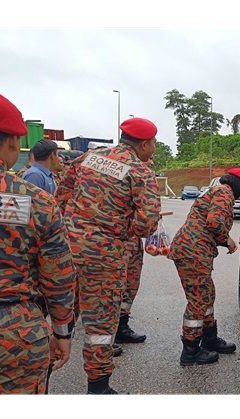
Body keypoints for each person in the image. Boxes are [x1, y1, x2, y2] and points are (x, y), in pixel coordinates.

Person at [0, 90, 76, 394]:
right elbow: (59, 277)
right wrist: (62, 331)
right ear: (13, 142)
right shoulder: (37, 201)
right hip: (13, 335)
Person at [56, 117, 160, 394]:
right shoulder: (140, 171)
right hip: (104, 255)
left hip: (67, 248)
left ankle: (40, 374)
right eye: (154, 144)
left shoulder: (88, 157)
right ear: (145, 144)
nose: (154, 148)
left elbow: (61, 195)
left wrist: (74, 224)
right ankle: (98, 387)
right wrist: (124, 230)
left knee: (59, 311)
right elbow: (147, 223)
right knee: (100, 324)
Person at [167, 167, 240, 366]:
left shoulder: (220, 191)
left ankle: (209, 339)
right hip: (193, 252)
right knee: (198, 300)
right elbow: (214, 222)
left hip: (195, 251)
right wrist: (227, 240)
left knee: (207, 295)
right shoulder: (224, 192)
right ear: (239, 185)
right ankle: (190, 351)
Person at [116, 157, 156, 345]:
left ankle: (122, 326)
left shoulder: (143, 179)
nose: (151, 163)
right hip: (119, 241)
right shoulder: (122, 176)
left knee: (131, 284)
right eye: (149, 159)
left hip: (133, 240)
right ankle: (107, 334)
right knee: (115, 286)